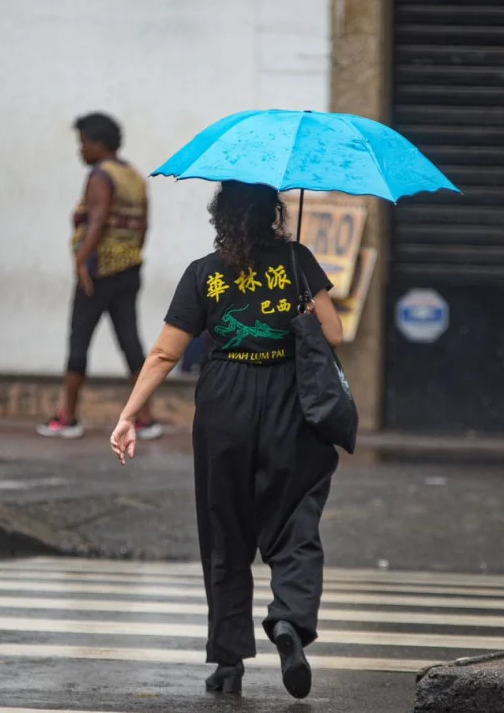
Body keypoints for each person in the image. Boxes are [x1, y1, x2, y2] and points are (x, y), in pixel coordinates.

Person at [110, 181, 344, 699]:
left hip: (224, 407)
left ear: (222, 217)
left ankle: (228, 661)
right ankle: (290, 620)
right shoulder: (298, 261)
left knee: (224, 530)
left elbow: (165, 354)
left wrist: (128, 415)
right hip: (289, 401)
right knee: (295, 519)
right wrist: (304, 314)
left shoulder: (204, 273)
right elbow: (334, 335)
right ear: (272, 213)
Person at [38, 112, 163, 441]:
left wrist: (82, 262)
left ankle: (68, 417)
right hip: (129, 270)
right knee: (130, 342)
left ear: (98, 143)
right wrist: (130, 257)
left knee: (79, 341)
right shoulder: (134, 176)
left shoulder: (100, 176)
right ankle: (146, 418)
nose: (80, 150)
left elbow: (98, 220)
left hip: (98, 273)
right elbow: (143, 226)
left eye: (83, 143)